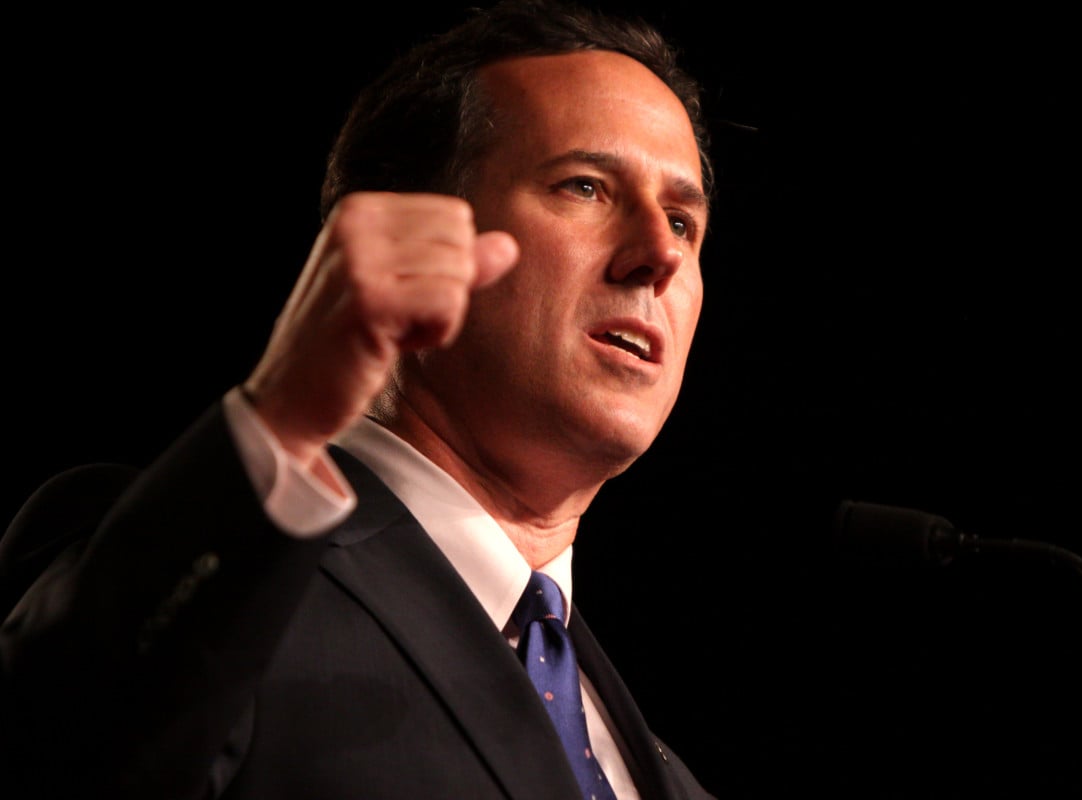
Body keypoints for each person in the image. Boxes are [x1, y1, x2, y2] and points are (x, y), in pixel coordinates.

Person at [0, 1, 719, 798]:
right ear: (402, 233)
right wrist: (283, 416)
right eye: (584, 187)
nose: (658, 253)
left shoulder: (661, 774)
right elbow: (58, 739)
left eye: (684, 223)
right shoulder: (206, 578)